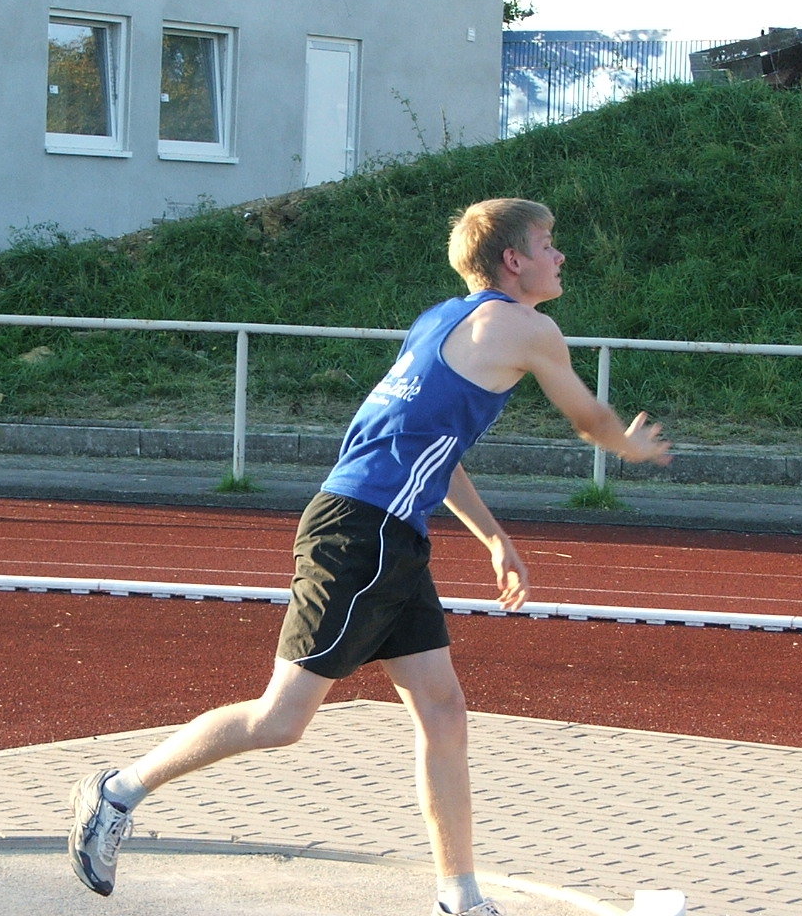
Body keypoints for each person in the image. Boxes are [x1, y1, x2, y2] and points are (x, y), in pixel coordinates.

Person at [68, 197, 674, 916]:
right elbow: (589, 417)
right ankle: (117, 793)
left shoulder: (440, 321)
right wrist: (628, 444)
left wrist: (491, 536)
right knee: (281, 719)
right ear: (513, 259)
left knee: (443, 711)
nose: (560, 255)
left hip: (389, 533)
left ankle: (461, 899)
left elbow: (432, 448)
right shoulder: (526, 327)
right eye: (548, 243)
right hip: (363, 534)